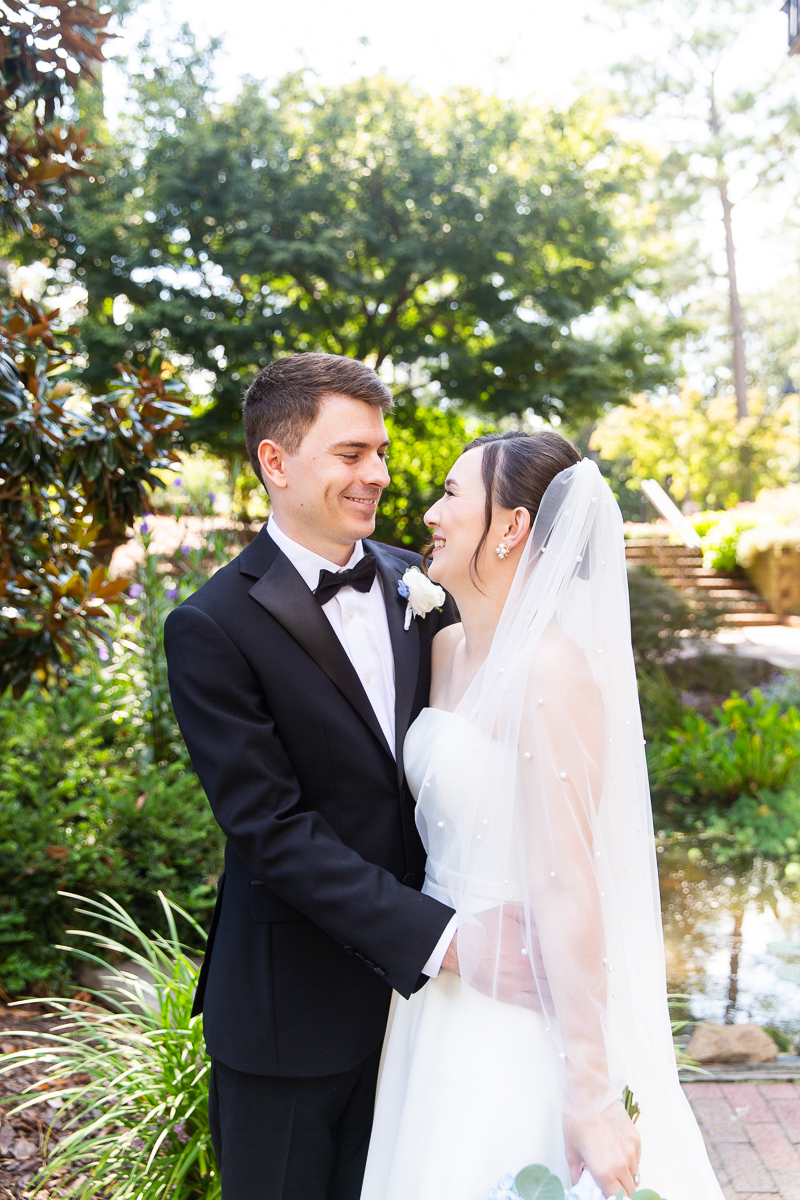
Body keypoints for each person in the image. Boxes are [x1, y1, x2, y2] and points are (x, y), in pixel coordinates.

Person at [164, 354, 533, 1200]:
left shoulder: (421, 582)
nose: (378, 474)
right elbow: (271, 830)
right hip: (290, 1020)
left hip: (428, 1031)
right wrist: (447, 942)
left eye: (381, 452)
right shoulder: (211, 626)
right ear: (275, 462)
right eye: (351, 454)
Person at [361, 432, 724, 1200]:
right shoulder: (444, 646)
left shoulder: (551, 672)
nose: (429, 512)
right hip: (436, 984)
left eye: (453, 495)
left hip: (520, 1001)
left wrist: (590, 1087)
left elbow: (569, 883)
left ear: (512, 527)